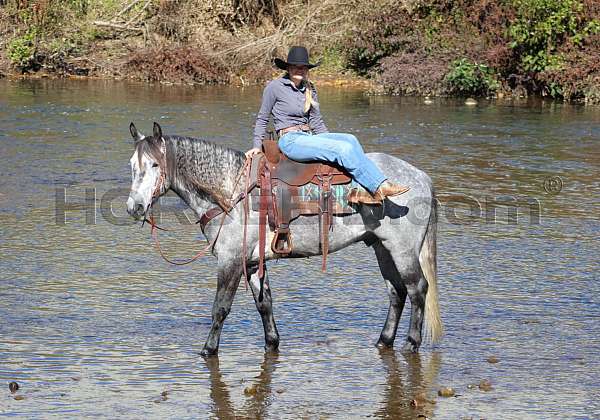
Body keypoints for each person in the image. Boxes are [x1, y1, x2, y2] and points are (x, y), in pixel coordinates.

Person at [247, 46, 409, 204]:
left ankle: (358, 190)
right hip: (289, 140)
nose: (300, 70)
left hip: (307, 137)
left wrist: (329, 141)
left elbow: (316, 122)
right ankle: (379, 186)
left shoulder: (310, 89)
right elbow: (262, 118)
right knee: (342, 150)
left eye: (304, 67)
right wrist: (256, 145)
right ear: (288, 68)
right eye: (296, 67)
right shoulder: (274, 88)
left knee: (350, 140)